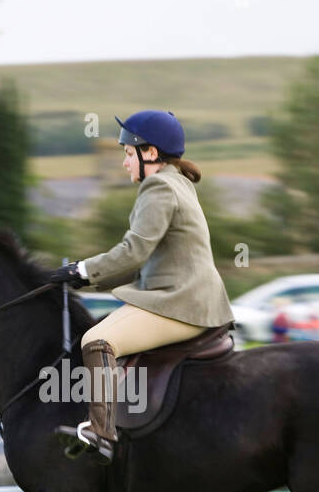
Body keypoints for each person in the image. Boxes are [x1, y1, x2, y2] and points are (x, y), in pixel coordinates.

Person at [45, 110, 235, 464]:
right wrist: (81, 281)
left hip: (181, 303)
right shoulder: (177, 182)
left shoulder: (159, 186)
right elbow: (141, 263)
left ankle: (102, 434)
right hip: (185, 297)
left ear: (151, 153)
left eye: (128, 153)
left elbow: (134, 252)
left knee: (96, 341)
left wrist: (82, 268)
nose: (124, 162)